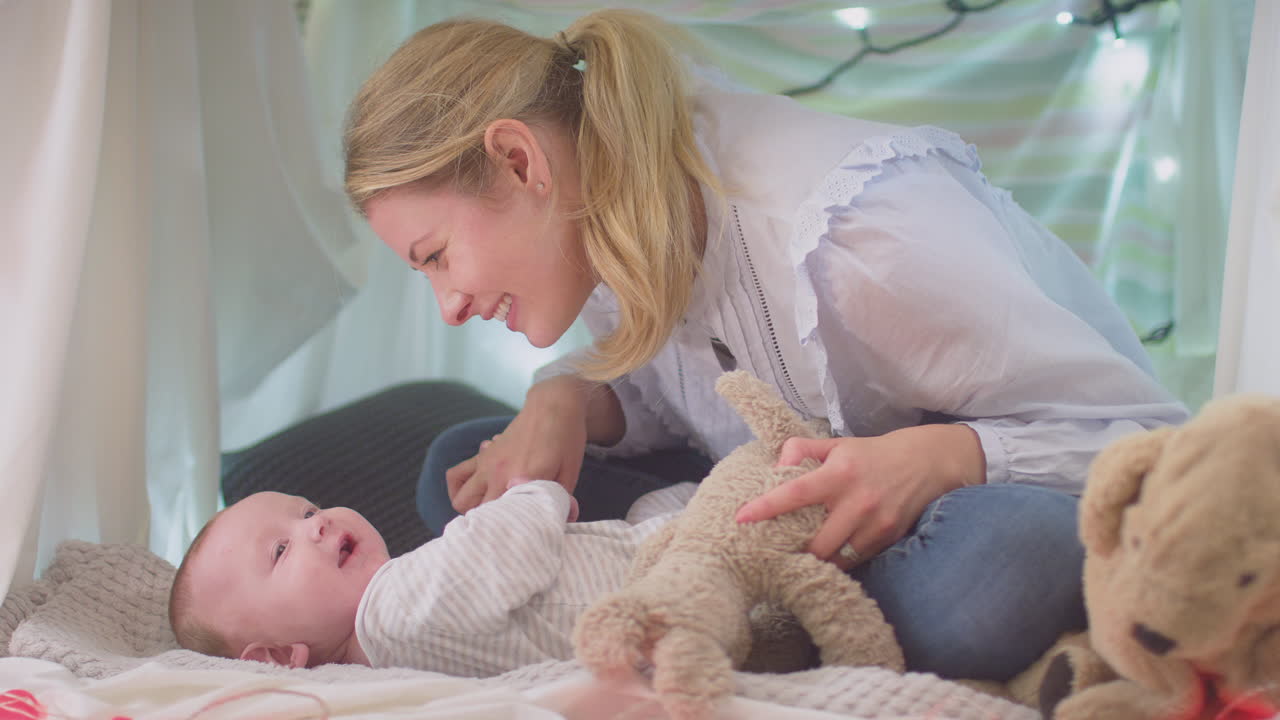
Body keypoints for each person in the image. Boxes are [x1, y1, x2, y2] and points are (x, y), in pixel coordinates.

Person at [342, 9, 1190, 681]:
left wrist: (944, 455)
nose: (448, 306)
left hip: (953, 506)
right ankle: (738, 593)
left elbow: (1150, 440)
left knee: (992, 578)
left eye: (435, 257)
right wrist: (569, 400)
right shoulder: (611, 218)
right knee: (463, 469)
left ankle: (740, 605)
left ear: (520, 160)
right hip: (777, 505)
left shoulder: (862, 235)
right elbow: (686, 392)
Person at [168, 481, 692, 674]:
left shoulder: (389, 640)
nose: (316, 524)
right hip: (674, 580)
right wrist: (535, 491)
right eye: (281, 550)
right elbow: (507, 549)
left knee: (656, 503)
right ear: (279, 656)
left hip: (640, 561)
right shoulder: (390, 610)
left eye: (306, 511)